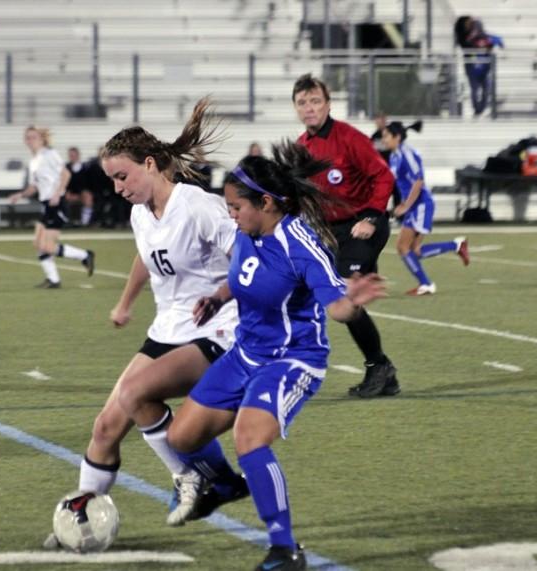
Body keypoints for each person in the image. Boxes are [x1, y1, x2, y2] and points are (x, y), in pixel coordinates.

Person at [166, 143, 387, 571]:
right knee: (181, 438)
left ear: (265, 203)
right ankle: (228, 486)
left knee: (249, 437)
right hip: (245, 352)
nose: (230, 214)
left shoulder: (302, 245)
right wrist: (219, 296)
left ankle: (285, 549)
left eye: (236, 206)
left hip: (292, 359)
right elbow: (245, 278)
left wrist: (354, 301)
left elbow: (337, 308)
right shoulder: (248, 234)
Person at [45, 99, 248, 548]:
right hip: (168, 329)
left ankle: (186, 477)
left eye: (122, 176)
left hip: (216, 330)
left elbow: (248, 261)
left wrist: (224, 298)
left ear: (151, 164)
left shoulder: (197, 206)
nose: (117, 188)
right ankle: (75, 526)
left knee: (136, 394)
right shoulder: (141, 213)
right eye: (111, 180)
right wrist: (125, 303)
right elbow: (147, 258)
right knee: (105, 427)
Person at [292, 73, 399, 399]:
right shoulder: (301, 147)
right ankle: (380, 370)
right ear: (296, 108)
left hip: (363, 224)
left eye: (315, 101)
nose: (309, 108)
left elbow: (384, 176)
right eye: (302, 103)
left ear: (327, 104)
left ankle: (379, 368)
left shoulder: (349, 138)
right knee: (308, 293)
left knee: (345, 297)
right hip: (330, 230)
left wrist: (371, 216)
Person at [382, 120, 470, 295]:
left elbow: (418, 180)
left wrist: (406, 205)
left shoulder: (407, 153)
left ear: (397, 137)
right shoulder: (394, 155)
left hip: (420, 205)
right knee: (415, 250)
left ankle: (427, 284)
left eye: (386, 136)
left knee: (403, 247)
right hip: (415, 205)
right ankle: (456, 246)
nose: (383, 139)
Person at [9, 126, 95, 288]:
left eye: (33, 137)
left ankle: (84, 255)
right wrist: (19, 195)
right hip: (46, 205)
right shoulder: (34, 161)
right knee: (38, 243)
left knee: (47, 246)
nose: (29, 140)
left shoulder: (50, 154)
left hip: (57, 204)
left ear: (42, 139)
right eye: (27, 137)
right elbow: (34, 187)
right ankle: (53, 279)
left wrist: (58, 193)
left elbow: (66, 174)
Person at [454, 16, 504, 117]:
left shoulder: (485, 38)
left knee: (486, 90)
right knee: (474, 89)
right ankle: (477, 110)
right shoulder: (466, 38)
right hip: (472, 68)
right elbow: (465, 45)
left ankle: (480, 109)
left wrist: (495, 44)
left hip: (484, 69)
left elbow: (497, 40)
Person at [64, 146, 95, 226]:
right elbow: (64, 183)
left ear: (78, 155)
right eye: (71, 155)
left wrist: (81, 193)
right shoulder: (65, 168)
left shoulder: (85, 167)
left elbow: (88, 183)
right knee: (65, 197)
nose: (72, 157)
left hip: (82, 192)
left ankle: (85, 222)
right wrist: (68, 192)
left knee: (88, 197)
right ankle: (67, 221)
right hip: (70, 192)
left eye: (74, 155)